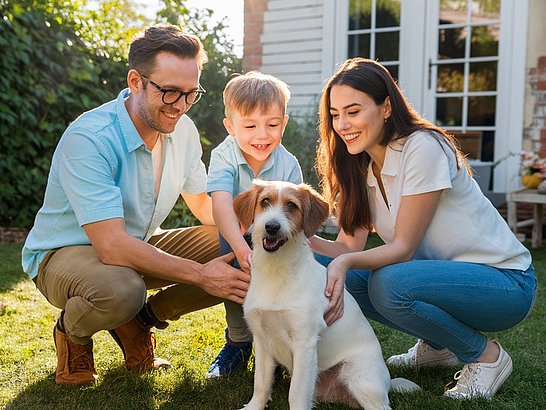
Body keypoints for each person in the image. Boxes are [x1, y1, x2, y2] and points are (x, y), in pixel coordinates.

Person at [21, 25, 251, 385]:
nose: (181, 106)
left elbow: (204, 207)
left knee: (237, 245)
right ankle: (73, 333)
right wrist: (203, 276)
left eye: (192, 94)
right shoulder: (91, 138)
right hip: (63, 254)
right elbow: (110, 245)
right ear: (135, 81)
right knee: (123, 289)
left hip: (135, 244)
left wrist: (247, 231)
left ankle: (141, 320)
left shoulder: (184, 131)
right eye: (171, 92)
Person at [310, 57, 537, 400]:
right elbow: (345, 249)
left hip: (505, 283)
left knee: (387, 283)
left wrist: (344, 263)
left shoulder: (422, 147)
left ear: (386, 107)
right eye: (335, 114)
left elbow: (403, 248)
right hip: (444, 279)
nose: (342, 124)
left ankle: (486, 356)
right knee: (324, 271)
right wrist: (298, 236)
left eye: (353, 111)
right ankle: (438, 347)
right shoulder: (360, 166)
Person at [206, 72, 303, 377]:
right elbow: (221, 205)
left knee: (285, 282)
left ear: (283, 124)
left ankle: (279, 346)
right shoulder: (224, 155)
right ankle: (238, 341)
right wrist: (239, 249)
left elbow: (295, 215)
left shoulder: (287, 163)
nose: (262, 135)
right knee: (238, 274)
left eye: (272, 125)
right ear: (230, 127)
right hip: (237, 233)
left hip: (278, 238)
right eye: (249, 126)